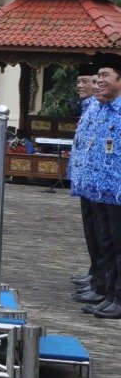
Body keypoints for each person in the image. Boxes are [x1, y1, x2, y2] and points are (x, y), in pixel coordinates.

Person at [72, 53, 121, 319]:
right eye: (97, 77)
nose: (97, 82)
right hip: (98, 187)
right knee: (105, 241)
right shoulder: (99, 107)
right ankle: (105, 288)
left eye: (104, 76)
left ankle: (116, 295)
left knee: (117, 245)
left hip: (117, 188)